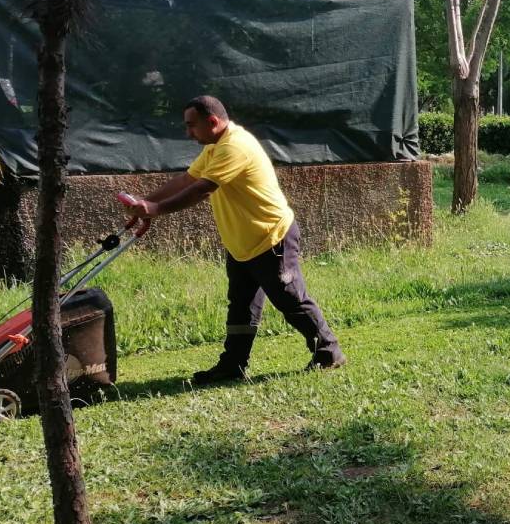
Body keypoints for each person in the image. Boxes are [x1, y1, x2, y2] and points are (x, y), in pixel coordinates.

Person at [123, 95, 345, 383]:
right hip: (242, 244)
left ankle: (329, 352)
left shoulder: (235, 146)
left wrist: (157, 209)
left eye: (192, 126)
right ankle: (233, 365)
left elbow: (201, 189)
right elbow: (187, 180)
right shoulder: (215, 147)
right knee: (240, 305)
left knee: (289, 297)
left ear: (212, 122)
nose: (188, 133)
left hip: (271, 237)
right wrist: (145, 204)